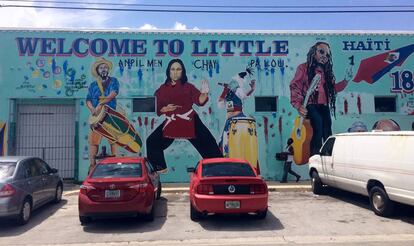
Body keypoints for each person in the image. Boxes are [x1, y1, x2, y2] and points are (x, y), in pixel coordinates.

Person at [146, 59, 222, 173]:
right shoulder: (162, 89)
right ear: (169, 71)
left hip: (190, 120)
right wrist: (165, 109)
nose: (175, 72)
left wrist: (205, 93)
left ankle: (219, 167)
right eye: (173, 69)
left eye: (178, 69)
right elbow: (157, 106)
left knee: (209, 143)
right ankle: (159, 167)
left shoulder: (188, 87)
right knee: (152, 141)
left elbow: (199, 101)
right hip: (172, 121)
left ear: (182, 72)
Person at [290, 41, 353, 156]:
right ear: (314, 52)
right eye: (321, 52)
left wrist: (346, 80)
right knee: (317, 128)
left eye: (327, 55)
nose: (324, 56)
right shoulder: (303, 68)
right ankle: (315, 157)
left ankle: (328, 156)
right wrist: (298, 105)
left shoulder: (326, 73)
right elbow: (295, 86)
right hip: (310, 105)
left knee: (327, 131)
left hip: (323, 106)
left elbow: (333, 89)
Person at [86, 58, 119, 172]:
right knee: (93, 141)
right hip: (97, 116)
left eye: (105, 67)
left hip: (110, 115)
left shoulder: (114, 81)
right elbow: (88, 100)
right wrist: (92, 109)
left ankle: (116, 162)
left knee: (113, 139)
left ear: (108, 69)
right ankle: (92, 165)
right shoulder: (93, 85)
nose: (103, 69)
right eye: (101, 67)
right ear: (97, 70)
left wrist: (101, 103)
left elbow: (113, 93)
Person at [217, 70, 256, 155]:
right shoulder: (230, 94)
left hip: (237, 118)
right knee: (226, 141)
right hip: (232, 120)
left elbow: (243, 96)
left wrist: (252, 89)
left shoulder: (235, 92)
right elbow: (223, 104)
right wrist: (225, 92)